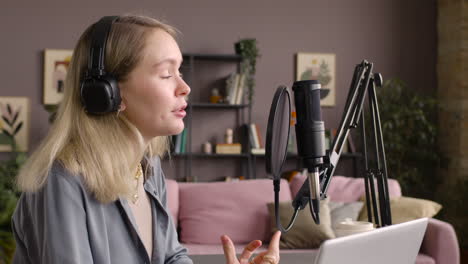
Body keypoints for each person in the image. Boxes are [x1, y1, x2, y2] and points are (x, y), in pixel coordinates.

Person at [11, 15, 281, 264]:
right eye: (166, 74)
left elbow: (171, 257)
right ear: (108, 92)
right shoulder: (62, 180)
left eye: (180, 72)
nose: (185, 88)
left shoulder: (147, 170)